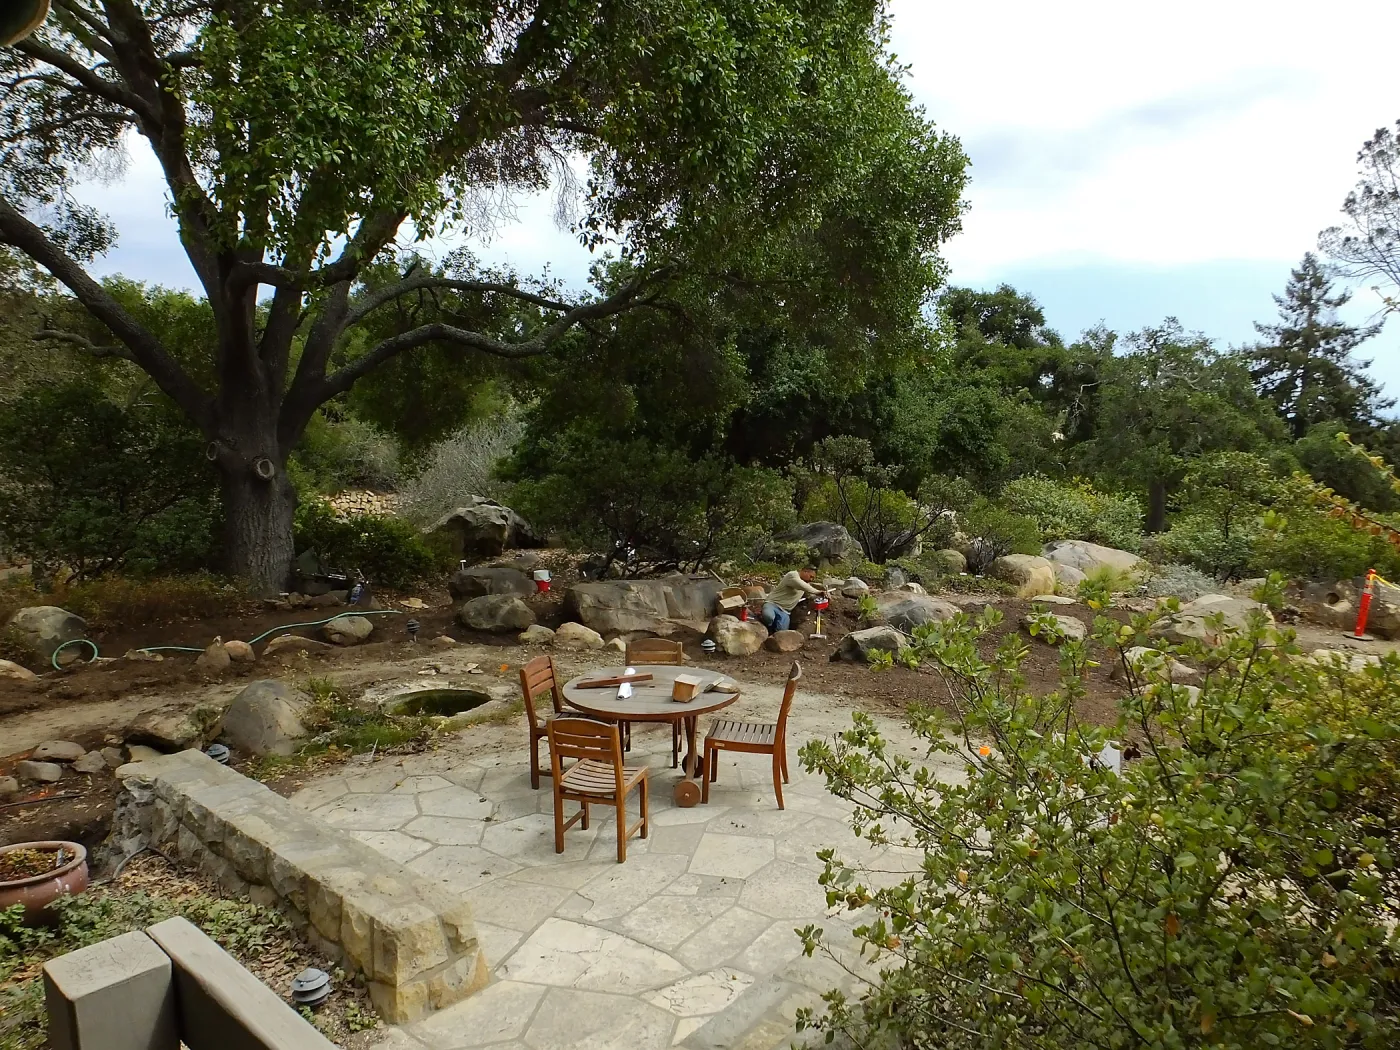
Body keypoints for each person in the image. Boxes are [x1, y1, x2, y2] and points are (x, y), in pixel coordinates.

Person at [760, 569, 824, 633]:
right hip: (772, 604)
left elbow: (809, 595)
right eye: (811, 576)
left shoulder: (805, 585)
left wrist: (821, 596)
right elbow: (801, 585)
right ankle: (765, 625)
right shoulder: (792, 575)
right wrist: (818, 592)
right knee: (768, 617)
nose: (811, 579)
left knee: (783, 633)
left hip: (785, 612)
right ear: (805, 571)